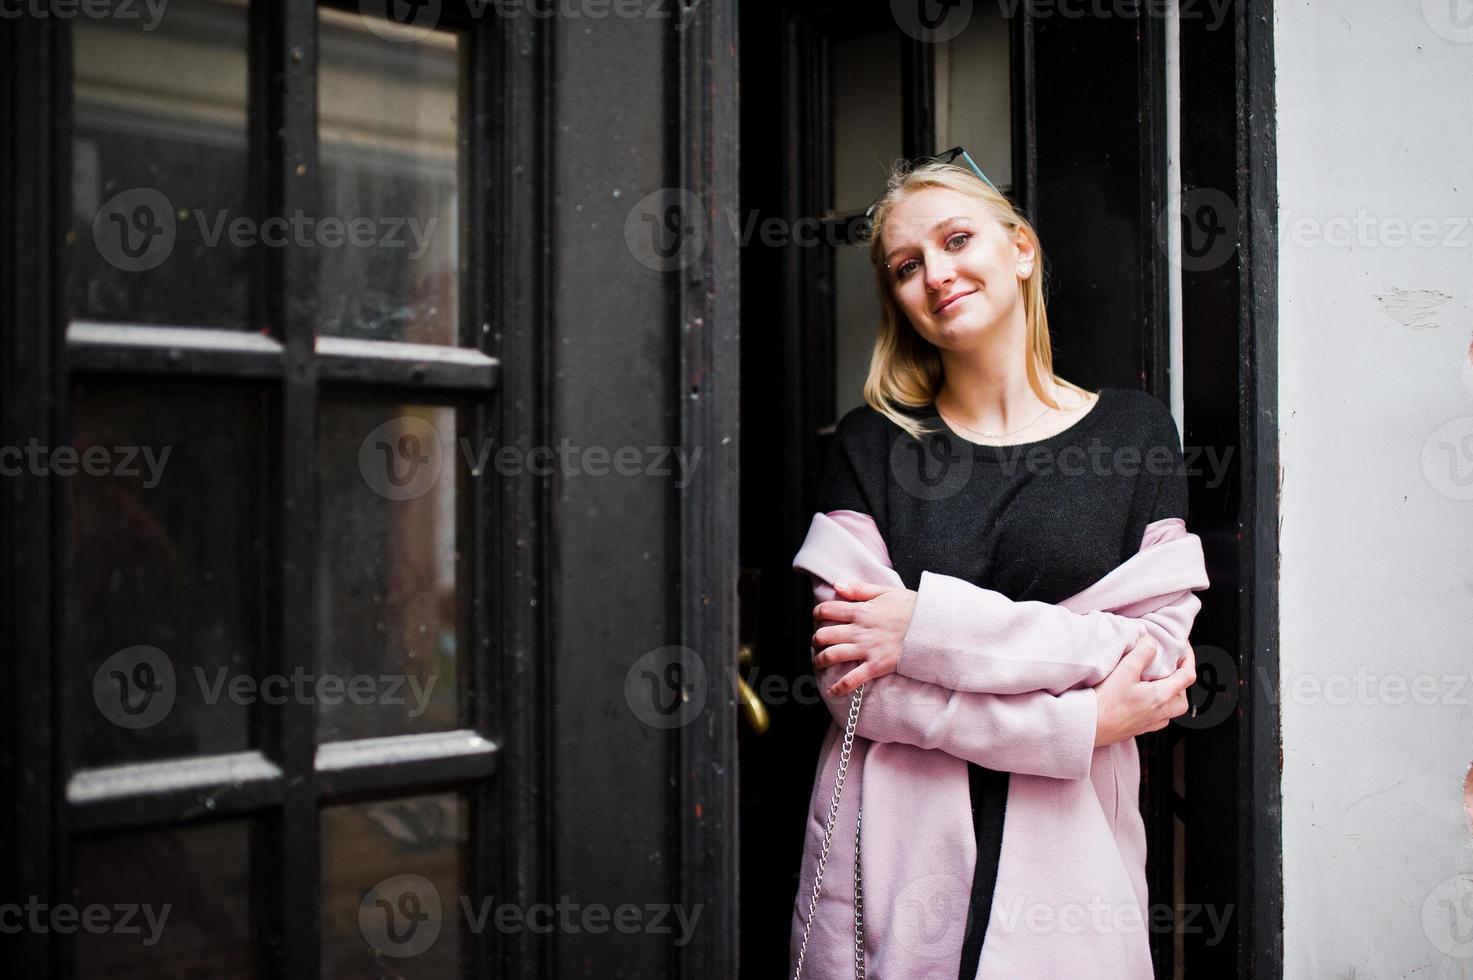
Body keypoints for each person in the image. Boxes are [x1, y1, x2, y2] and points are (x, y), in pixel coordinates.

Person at [789, 154, 1208, 978]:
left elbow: (1151, 660)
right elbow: (851, 680)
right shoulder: (869, 445)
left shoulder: (1132, 434)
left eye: (956, 240)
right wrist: (1075, 722)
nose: (937, 274)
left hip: (1073, 871)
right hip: (895, 872)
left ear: (1019, 248)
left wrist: (922, 628)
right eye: (908, 266)